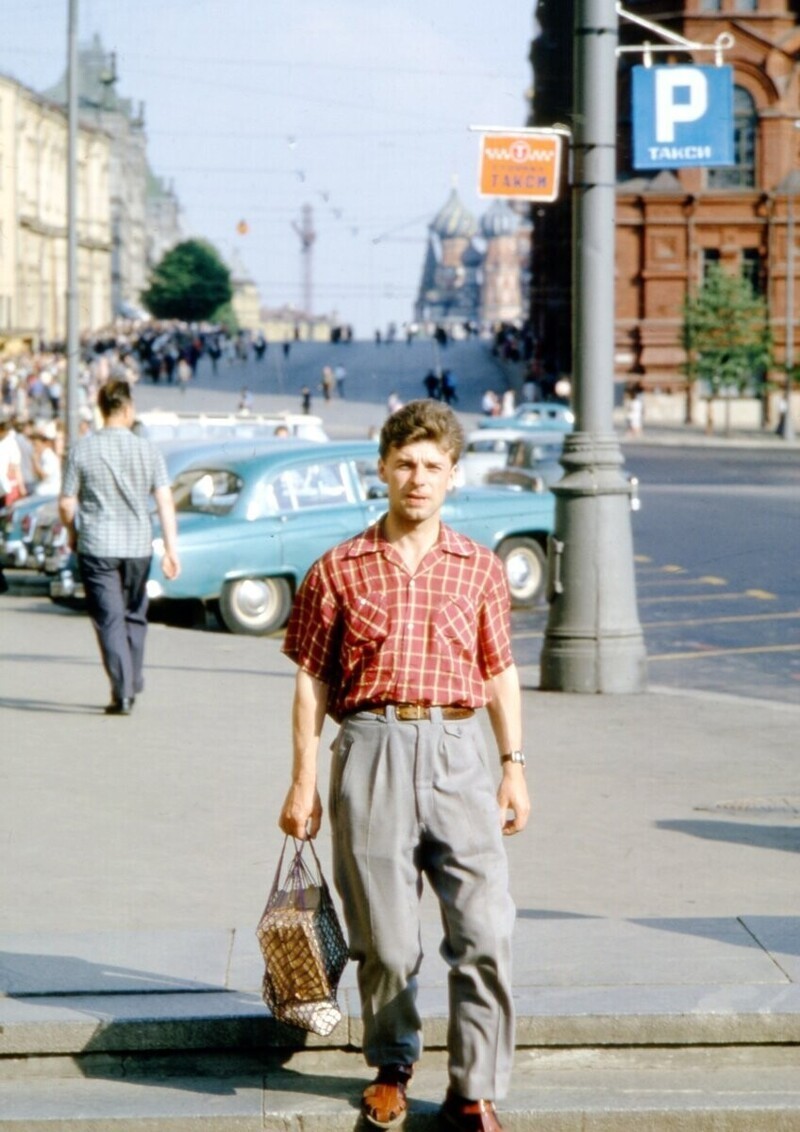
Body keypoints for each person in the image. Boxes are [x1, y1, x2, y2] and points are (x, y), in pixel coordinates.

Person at [278, 399, 530, 1132]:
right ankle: (392, 1062)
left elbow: (499, 672)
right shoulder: (338, 568)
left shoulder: (479, 570)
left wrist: (513, 765)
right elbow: (310, 679)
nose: (417, 479)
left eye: (432, 467)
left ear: (453, 476)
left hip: (460, 754)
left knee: (485, 930)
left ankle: (473, 1090)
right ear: (383, 470)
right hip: (371, 748)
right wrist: (301, 780)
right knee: (385, 940)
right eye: (405, 465)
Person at [58, 380, 180, 715]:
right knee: (134, 615)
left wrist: (72, 532)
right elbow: (165, 500)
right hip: (139, 545)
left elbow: (67, 504)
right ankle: (131, 676)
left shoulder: (81, 450)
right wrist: (171, 549)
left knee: (109, 619)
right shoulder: (149, 450)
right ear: (126, 409)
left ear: (103, 409)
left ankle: (123, 689)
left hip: (97, 546)